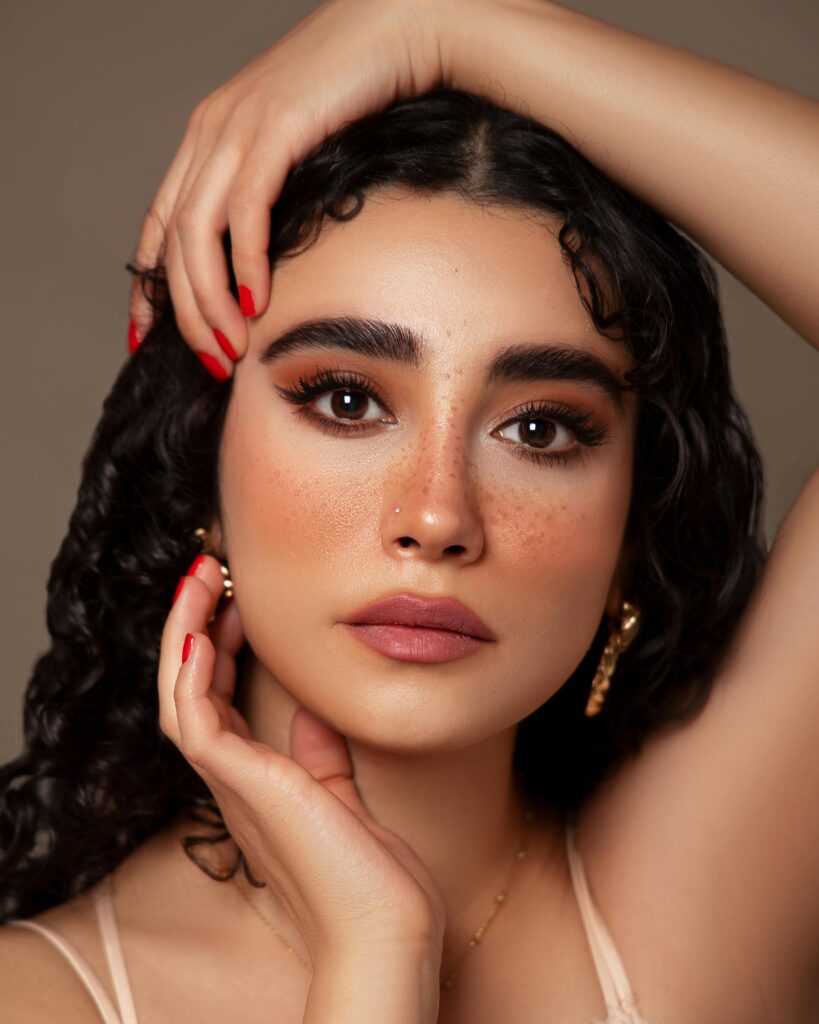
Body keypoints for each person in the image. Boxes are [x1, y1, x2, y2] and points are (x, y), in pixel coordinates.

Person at [1, 1, 817, 1022]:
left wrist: (444, 24)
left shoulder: (695, 921)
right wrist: (374, 957)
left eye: (541, 429)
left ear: (631, 529)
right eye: (347, 400)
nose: (436, 518)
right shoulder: (39, 997)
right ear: (202, 468)